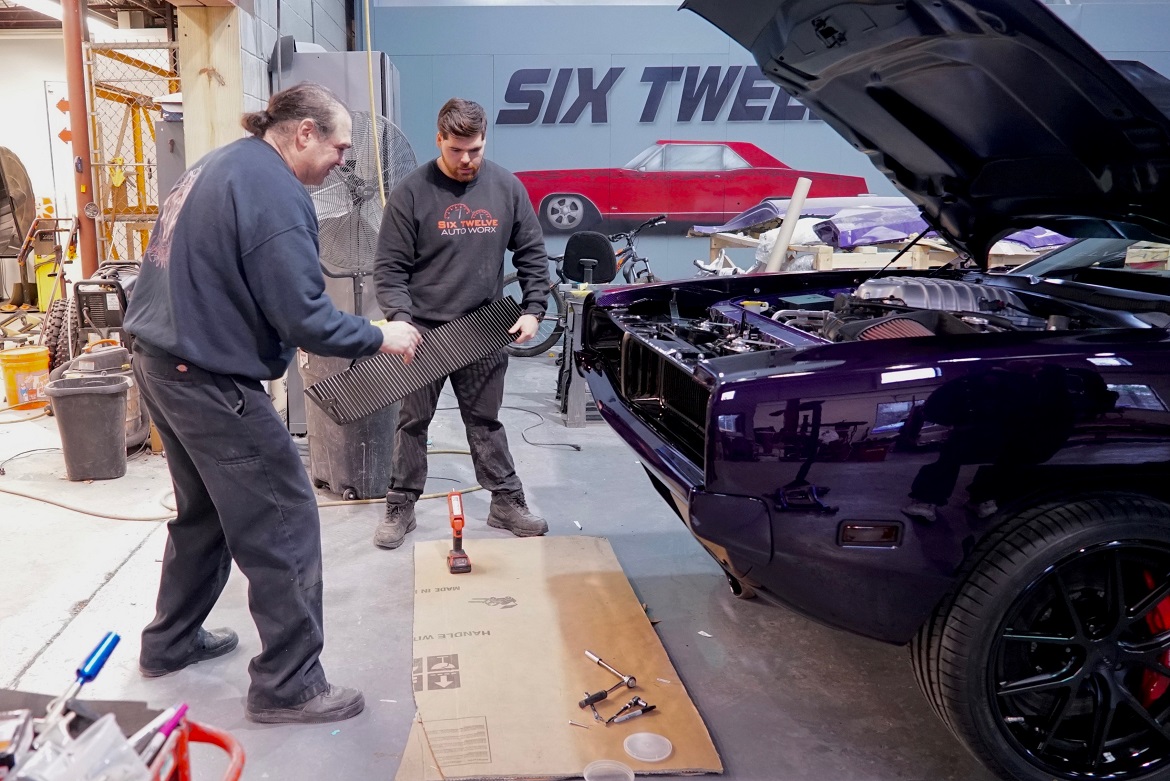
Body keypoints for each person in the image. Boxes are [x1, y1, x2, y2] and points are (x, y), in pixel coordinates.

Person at [123, 82, 421, 724]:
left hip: (159, 358)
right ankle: (289, 685)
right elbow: (305, 316)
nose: (344, 160)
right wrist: (381, 334)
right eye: (339, 146)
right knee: (284, 517)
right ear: (304, 132)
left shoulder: (224, 162)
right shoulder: (277, 192)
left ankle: (170, 643)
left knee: (204, 512)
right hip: (204, 374)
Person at [372, 97, 551, 549]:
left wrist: (533, 309)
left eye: (475, 149)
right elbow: (390, 268)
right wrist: (400, 320)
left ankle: (505, 501)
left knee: (485, 420)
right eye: (457, 151)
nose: (467, 160)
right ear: (440, 140)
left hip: (482, 327)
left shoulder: (506, 188)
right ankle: (401, 504)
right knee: (412, 422)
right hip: (424, 333)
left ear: (484, 139)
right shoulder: (411, 192)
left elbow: (532, 254)